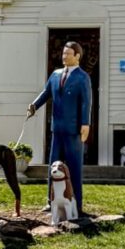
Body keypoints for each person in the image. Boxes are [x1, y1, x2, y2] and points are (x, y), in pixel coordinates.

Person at [28, 41, 92, 214]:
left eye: (68, 54)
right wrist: (34, 105)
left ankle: (76, 202)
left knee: (74, 166)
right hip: (57, 129)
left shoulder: (82, 77)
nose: (64, 57)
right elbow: (46, 92)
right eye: (63, 53)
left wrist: (85, 123)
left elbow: (86, 102)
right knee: (53, 165)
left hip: (74, 130)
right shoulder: (55, 75)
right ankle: (51, 201)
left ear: (77, 56)